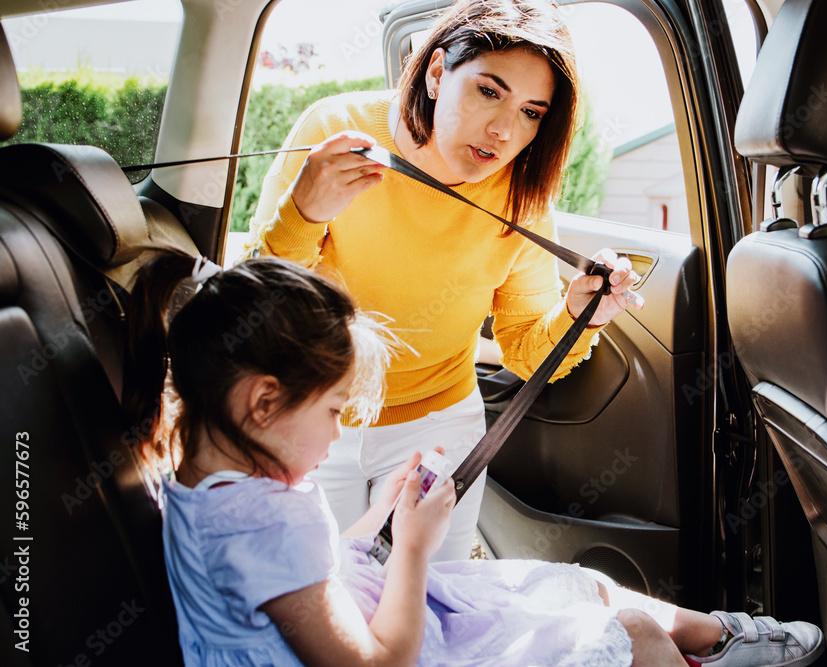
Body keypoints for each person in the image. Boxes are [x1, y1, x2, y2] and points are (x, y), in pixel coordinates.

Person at [125, 251, 824, 666]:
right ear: (262, 403)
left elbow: (307, 571)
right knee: (631, 633)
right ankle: (712, 644)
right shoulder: (259, 521)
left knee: (578, 585)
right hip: (398, 646)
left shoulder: (211, 484)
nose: (339, 437)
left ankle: (720, 636)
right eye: (335, 411)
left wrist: (377, 517)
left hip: (379, 612)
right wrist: (415, 549)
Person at [241, 0, 643, 562]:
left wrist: (580, 314)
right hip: (309, 411)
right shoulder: (336, 130)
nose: (503, 130)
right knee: (316, 603)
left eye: (531, 112)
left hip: (437, 428)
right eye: (488, 91)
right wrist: (302, 214)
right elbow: (260, 309)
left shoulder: (522, 198)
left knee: (434, 609)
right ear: (436, 73)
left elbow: (527, 350)